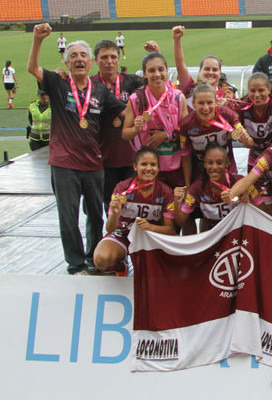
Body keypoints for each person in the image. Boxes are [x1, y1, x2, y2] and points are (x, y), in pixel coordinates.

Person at [27, 23, 128, 274]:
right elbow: (32, 68)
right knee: (68, 216)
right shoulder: (57, 83)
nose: (79, 60)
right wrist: (38, 39)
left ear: (91, 62)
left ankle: (94, 258)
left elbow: (125, 111)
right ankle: (75, 263)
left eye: (83, 56)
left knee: (95, 215)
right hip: (64, 163)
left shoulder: (101, 91)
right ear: (67, 62)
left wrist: (154, 115)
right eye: (74, 56)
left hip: (94, 163)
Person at [93, 147, 176, 275]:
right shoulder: (122, 188)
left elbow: (170, 230)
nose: (148, 168)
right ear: (135, 167)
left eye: (153, 164)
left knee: (156, 271)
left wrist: (150, 227)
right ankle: (121, 266)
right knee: (102, 260)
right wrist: (114, 214)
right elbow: (110, 229)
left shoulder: (165, 192)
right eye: (144, 164)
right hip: (124, 234)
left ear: (158, 168)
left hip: (152, 237)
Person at [121, 52, 189, 190]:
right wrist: (135, 129)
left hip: (176, 166)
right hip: (149, 168)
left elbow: (187, 130)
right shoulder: (137, 99)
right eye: (151, 70)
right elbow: (125, 134)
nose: (157, 74)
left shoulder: (178, 97)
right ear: (145, 74)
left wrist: (167, 135)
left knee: (175, 208)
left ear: (166, 71)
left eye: (160, 69)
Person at [91, 39, 145, 213]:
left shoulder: (132, 82)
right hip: (102, 158)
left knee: (132, 206)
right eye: (104, 57)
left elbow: (155, 82)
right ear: (95, 60)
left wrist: (156, 52)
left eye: (113, 57)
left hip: (131, 157)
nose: (109, 61)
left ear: (119, 59)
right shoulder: (90, 85)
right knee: (108, 207)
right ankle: (105, 240)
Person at [179, 84, 251, 180]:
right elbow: (185, 155)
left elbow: (249, 143)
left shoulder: (227, 114)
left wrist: (244, 138)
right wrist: (187, 184)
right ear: (193, 104)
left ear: (216, 102)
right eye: (201, 103)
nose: (206, 108)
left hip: (227, 166)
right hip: (201, 170)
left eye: (209, 103)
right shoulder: (186, 124)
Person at [175, 143, 244, 232]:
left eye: (219, 163)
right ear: (204, 164)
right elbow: (180, 221)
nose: (214, 167)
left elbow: (258, 210)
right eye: (210, 163)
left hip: (236, 235)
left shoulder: (240, 182)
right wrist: (176, 202)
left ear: (226, 164)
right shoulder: (197, 188)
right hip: (213, 236)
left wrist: (247, 199)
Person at [236, 72, 272, 170]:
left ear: (269, 90)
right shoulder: (242, 107)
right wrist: (242, 139)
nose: (257, 94)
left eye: (261, 90)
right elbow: (234, 125)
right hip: (254, 157)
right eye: (252, 91)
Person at [172, 26, 236, 107]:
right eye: (207, 69)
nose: (210, 72)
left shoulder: (226, 95)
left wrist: (229, 105)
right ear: (200, 71)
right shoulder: (190, 89)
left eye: (215, 70)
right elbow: (180, 65)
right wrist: (177, 40)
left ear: (220, 74)